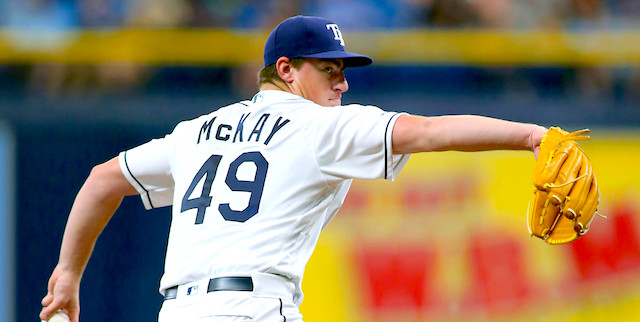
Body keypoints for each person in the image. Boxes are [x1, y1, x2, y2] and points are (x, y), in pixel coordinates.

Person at [40, 15, 548, 322]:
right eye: (329, 69)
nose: (342, 84)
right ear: (286, 70)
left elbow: (102, 179)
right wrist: (531, 136)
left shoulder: (195, 130)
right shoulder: (318, 127)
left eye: (343, 72)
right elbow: (429, 132)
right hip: (256, 309)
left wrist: (68, 274)